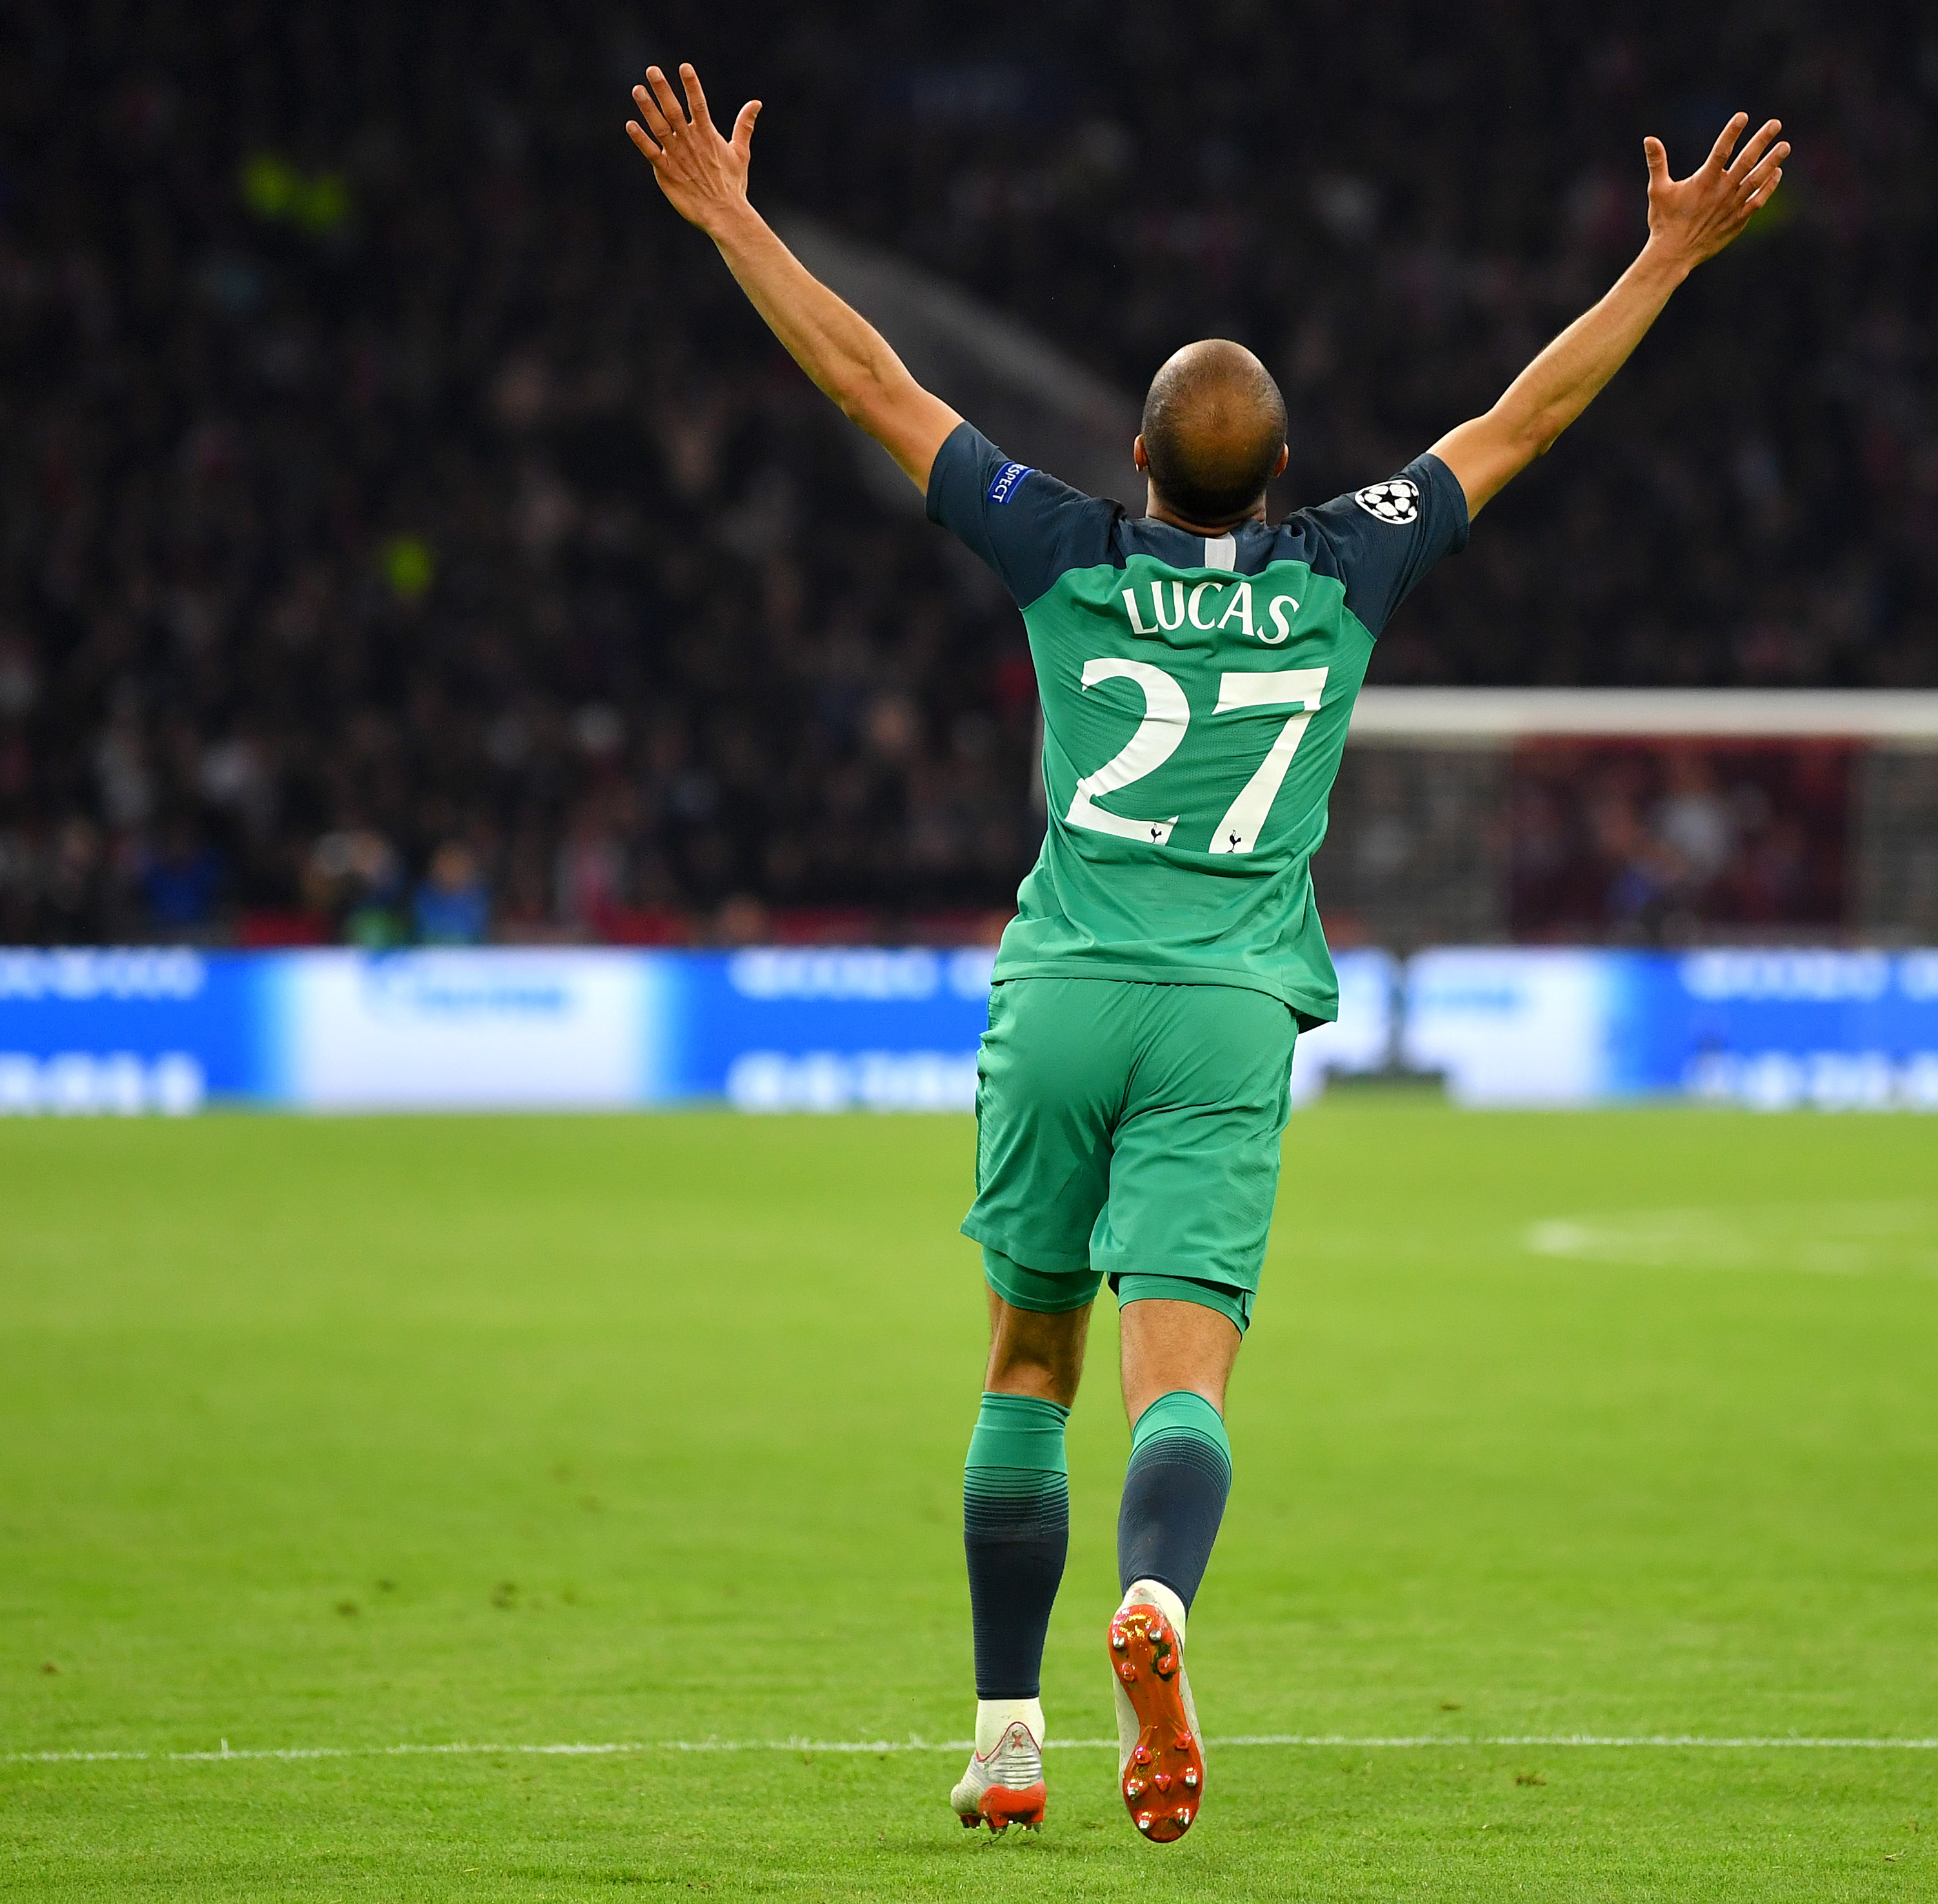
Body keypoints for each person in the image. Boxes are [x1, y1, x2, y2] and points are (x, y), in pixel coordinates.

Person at [626, 63, 1784, 1842]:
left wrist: (729, 217)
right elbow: (1521, 421)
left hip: (1067, 990)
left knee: (1027, 1361)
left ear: (1140, 461)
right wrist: (1668, 262)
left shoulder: (1059, 547)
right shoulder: (1345, 572)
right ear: (1288, 472)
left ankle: (1008, 1736)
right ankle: (1156, 1607)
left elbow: (871, 380)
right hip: (1230, 1013)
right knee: (1183, 1381)